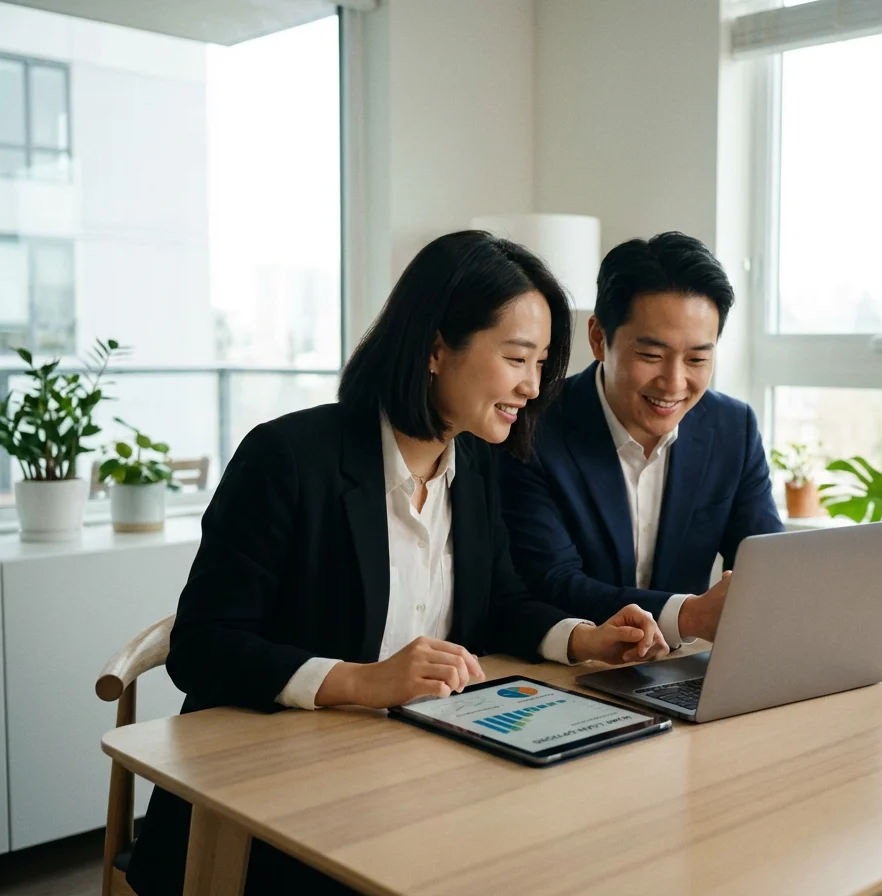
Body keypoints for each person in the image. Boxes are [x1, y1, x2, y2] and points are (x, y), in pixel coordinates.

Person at [125, 231, 669, 896]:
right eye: (518, 358)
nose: (533, 386)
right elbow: (204, 646)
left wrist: (582, 638)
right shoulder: (290, 459)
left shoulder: (478, 463)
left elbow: (499, 602)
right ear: (437, 349)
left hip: (413, 778)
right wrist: (362, 682)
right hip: (266, 811)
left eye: (543, 363)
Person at [499, 231, 784, 649]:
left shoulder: (732, 427)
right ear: (598, 338)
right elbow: (552, 581)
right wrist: (689, 615)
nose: (674, 382)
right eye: (651, 356)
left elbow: (767, 563)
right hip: (570, 670)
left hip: (680, 670)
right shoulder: (533, 424)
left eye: (697, 359)